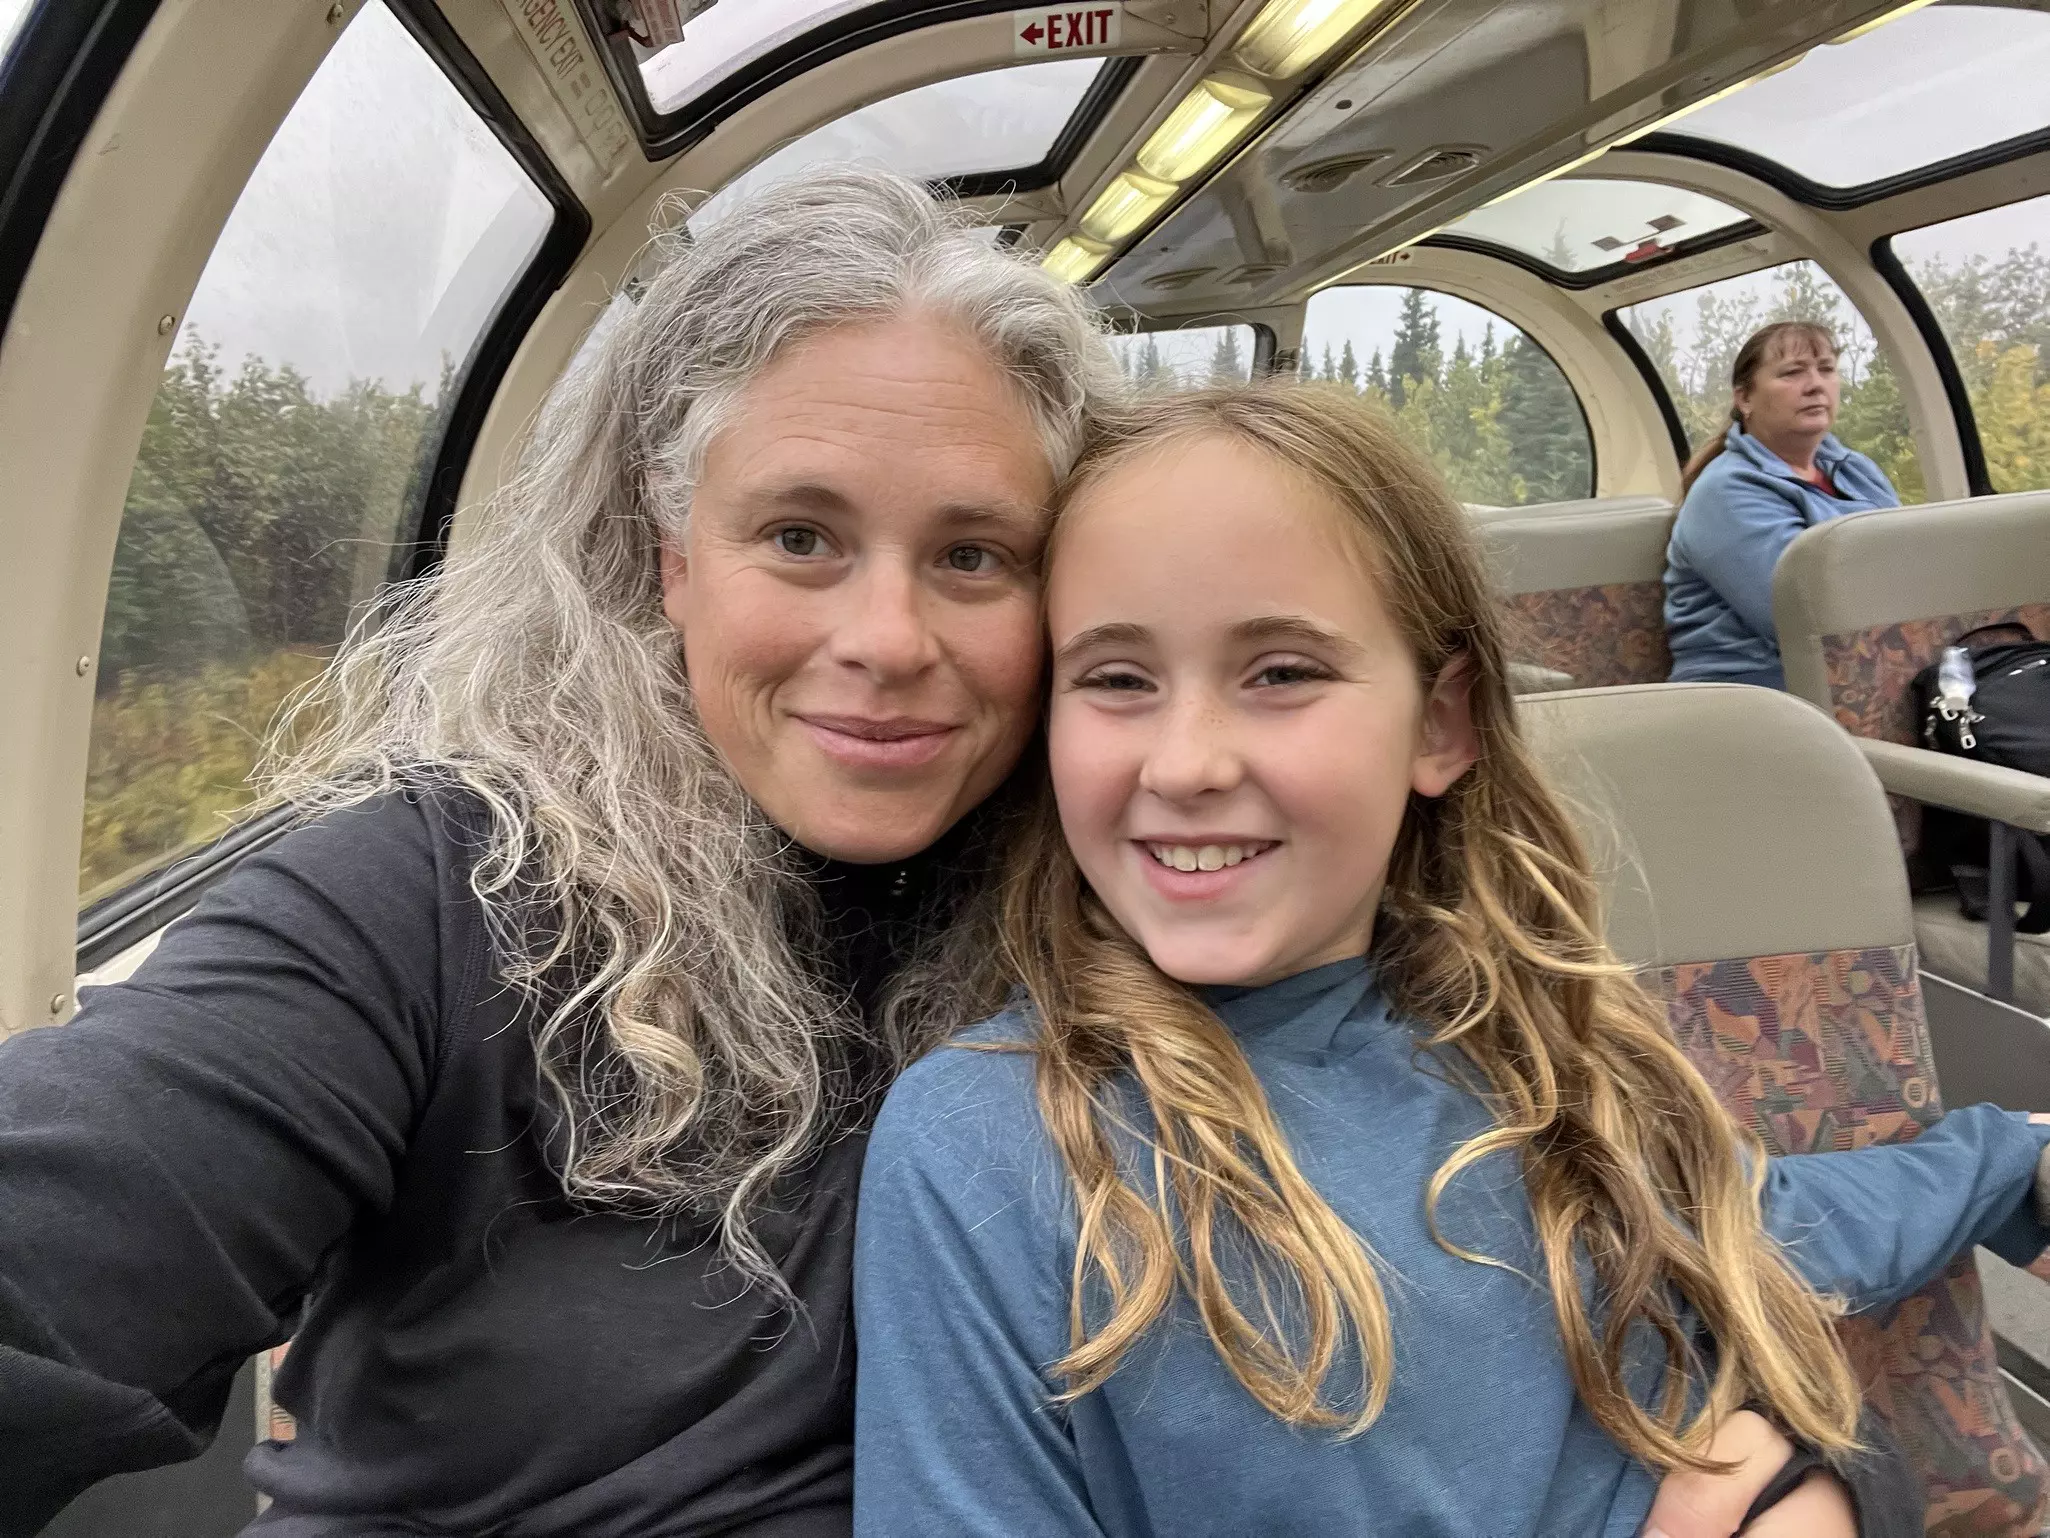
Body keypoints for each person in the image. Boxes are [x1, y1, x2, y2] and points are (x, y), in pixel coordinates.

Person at [0, 168, 1890, 1538]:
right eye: (803, 536)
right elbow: (72, 1220)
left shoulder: (1130, 892)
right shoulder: (426, 894)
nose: (892, 637)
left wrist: (1780, 1457)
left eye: (975, 555)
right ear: (668, 566)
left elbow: (1542, 1213)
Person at [852, 382, 2046, 1537]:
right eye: (1115, 679)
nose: (1186, 763)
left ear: (1441, 721)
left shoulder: (1533, 1030)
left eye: (1281, 672)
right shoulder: (995, 1144)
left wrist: (2009, 1162)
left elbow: (1746, 1219)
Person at [1664, 321, 1902, 688]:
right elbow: (1801, 619)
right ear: (1745, 399)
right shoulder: (1726, 491)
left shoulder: (1856, 470)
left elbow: (1916, 564)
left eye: (1826, 369)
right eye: (1792, 373)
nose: (1815, 385)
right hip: (1754, 694)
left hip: (1860, 674)